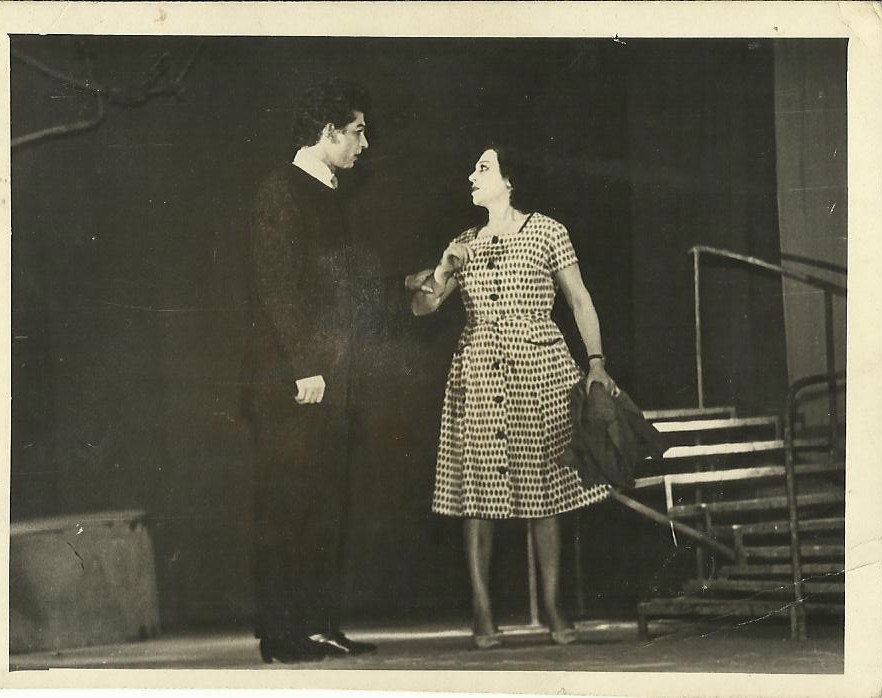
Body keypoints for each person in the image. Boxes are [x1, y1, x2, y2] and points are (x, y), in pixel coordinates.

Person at [407, 142, 619, 649]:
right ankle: (482, 612)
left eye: (483, 168)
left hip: (540, 369)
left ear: (510, 180)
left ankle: (553, 607)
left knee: (545, 490)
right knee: (478, 493)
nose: (472, 175)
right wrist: (443, 270)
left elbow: (579, 299)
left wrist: (595, 362)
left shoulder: (548, 231)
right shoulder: (464, 242)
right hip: (478, 373)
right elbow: (422, 308)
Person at [243, 78, 379, 664]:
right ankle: (279, 633)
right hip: (293, 383)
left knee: (324, 507)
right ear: (328, 132)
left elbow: (340, 287)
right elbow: (275, 287)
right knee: (286, 506)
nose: (364, 144)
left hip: (330, 383)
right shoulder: (281, 191)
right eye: (357, 132)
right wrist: (304, 367)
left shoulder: (327, 193)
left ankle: (319, 624)